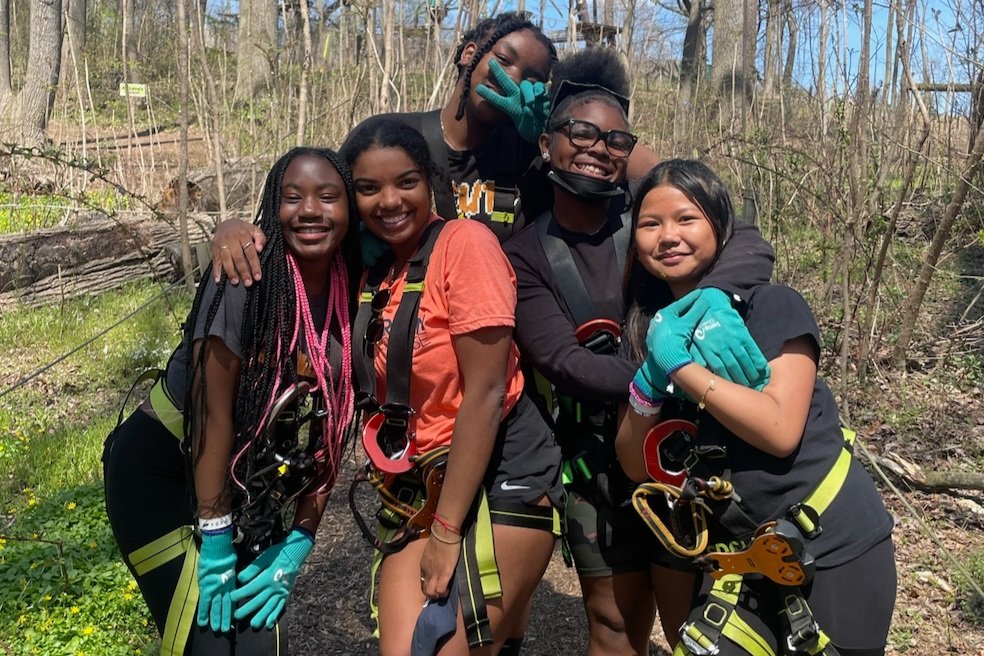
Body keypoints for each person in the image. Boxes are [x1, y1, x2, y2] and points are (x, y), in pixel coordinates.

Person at [503, 50, 775, 656]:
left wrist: (715, 301)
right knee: (614, 623)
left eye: (614, 139)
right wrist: (667, 371)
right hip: (596, 460)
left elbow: (745, 238)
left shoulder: (650, 219)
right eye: (580, 133)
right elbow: (560, 359)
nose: (597, 148)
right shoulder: (526, 252)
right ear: (547, 142)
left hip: (687, 453)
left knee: (694, 621)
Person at [615, 159, 896, 656]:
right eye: (650, 224)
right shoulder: (649, 330)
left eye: (686, 219)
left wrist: (679, 366)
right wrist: (649, 383)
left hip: (834, 547)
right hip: (739, 558)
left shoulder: (771, 306)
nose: (668, 237)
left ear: (720, 228)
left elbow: (779, 428)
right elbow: (637, 465)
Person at [103, 147, 361, 655]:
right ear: (274, 206)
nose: (310, 209)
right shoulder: (243, 276)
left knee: (259, 645)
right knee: (207, 643)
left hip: (245, 488)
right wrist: (216, 537)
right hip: (162, 475)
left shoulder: (353, 291)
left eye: (328, 197)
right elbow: (210, 416)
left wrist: (300, 542)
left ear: (350, 209)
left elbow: (331, 436)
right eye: (293, 197)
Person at [207, 12, 660, 283]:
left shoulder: (535, 152)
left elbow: (656, 175)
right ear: (468, 55)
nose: (513, 79)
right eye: (502, 61)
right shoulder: (391, 137)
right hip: (391, 336)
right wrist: (233, 226)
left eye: (533, 78)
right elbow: (316, 203)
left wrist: (561, 124)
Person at [340, 118, 562, 656]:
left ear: (430, 181)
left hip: (501, 464)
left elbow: (486, 392)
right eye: (368, 189)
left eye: (406, 182)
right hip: (420, 479)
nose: (389, 201)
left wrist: (445, 533)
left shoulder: (465, 245)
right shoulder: (375, 272)